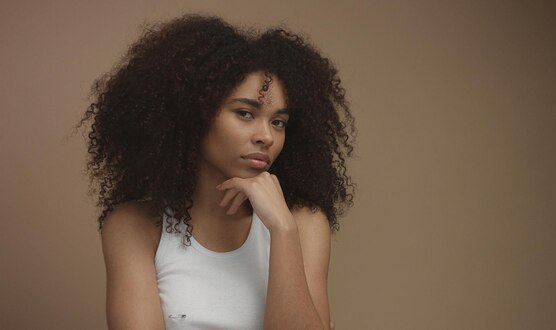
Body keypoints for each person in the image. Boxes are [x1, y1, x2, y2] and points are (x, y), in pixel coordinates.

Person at [80, 14, 355, 330]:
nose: (266, 136)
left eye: (278, 122)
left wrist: (281, 229)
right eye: (245, 113)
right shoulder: (136, 227)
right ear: (194, 115)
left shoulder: (303, 224)